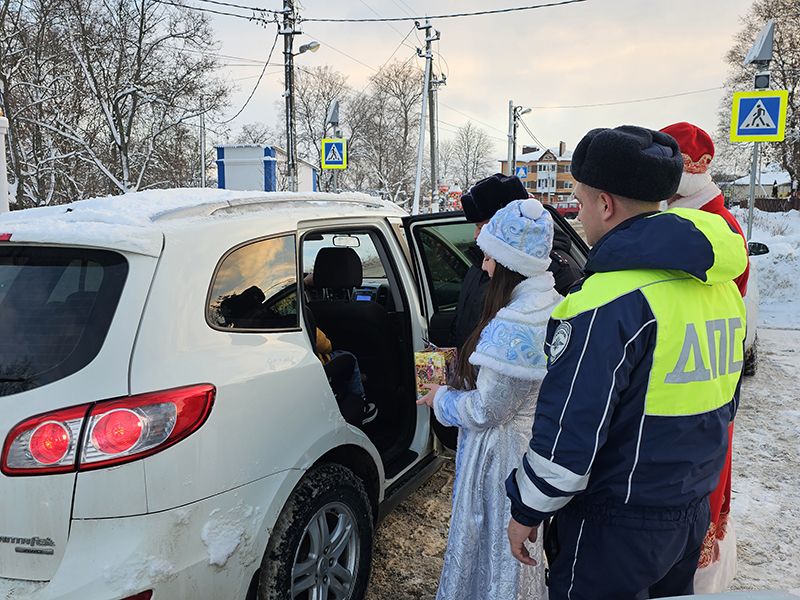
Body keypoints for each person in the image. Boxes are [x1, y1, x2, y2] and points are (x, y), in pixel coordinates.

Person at [505, 126, 748, 600]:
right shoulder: (716, 285)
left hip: (615, 525)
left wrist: (528, 509)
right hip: (689, 508)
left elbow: (570, 430)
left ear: (606, 204)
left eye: (579, 200)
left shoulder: (606, 298)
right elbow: (727, 399)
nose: (577, 213)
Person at [417, 198, 562, 600]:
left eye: (489, 257)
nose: (483, 266)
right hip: (530, 447)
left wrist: (440, 399)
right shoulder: (550, 306)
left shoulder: (514, 326)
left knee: (494, 551)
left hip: (501, 461)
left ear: (509, 263)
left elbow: (486, 410)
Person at [661, 121, 750, 591]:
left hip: (699, 375)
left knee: (701, 482)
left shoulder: (710, 228)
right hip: (705, 372)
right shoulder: (699, 218)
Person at [452, 173, 583, 348]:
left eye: (482, 226)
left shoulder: (556, 271)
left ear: (511, 225)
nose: (475, 235)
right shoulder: (480, 262)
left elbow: (561, 342)